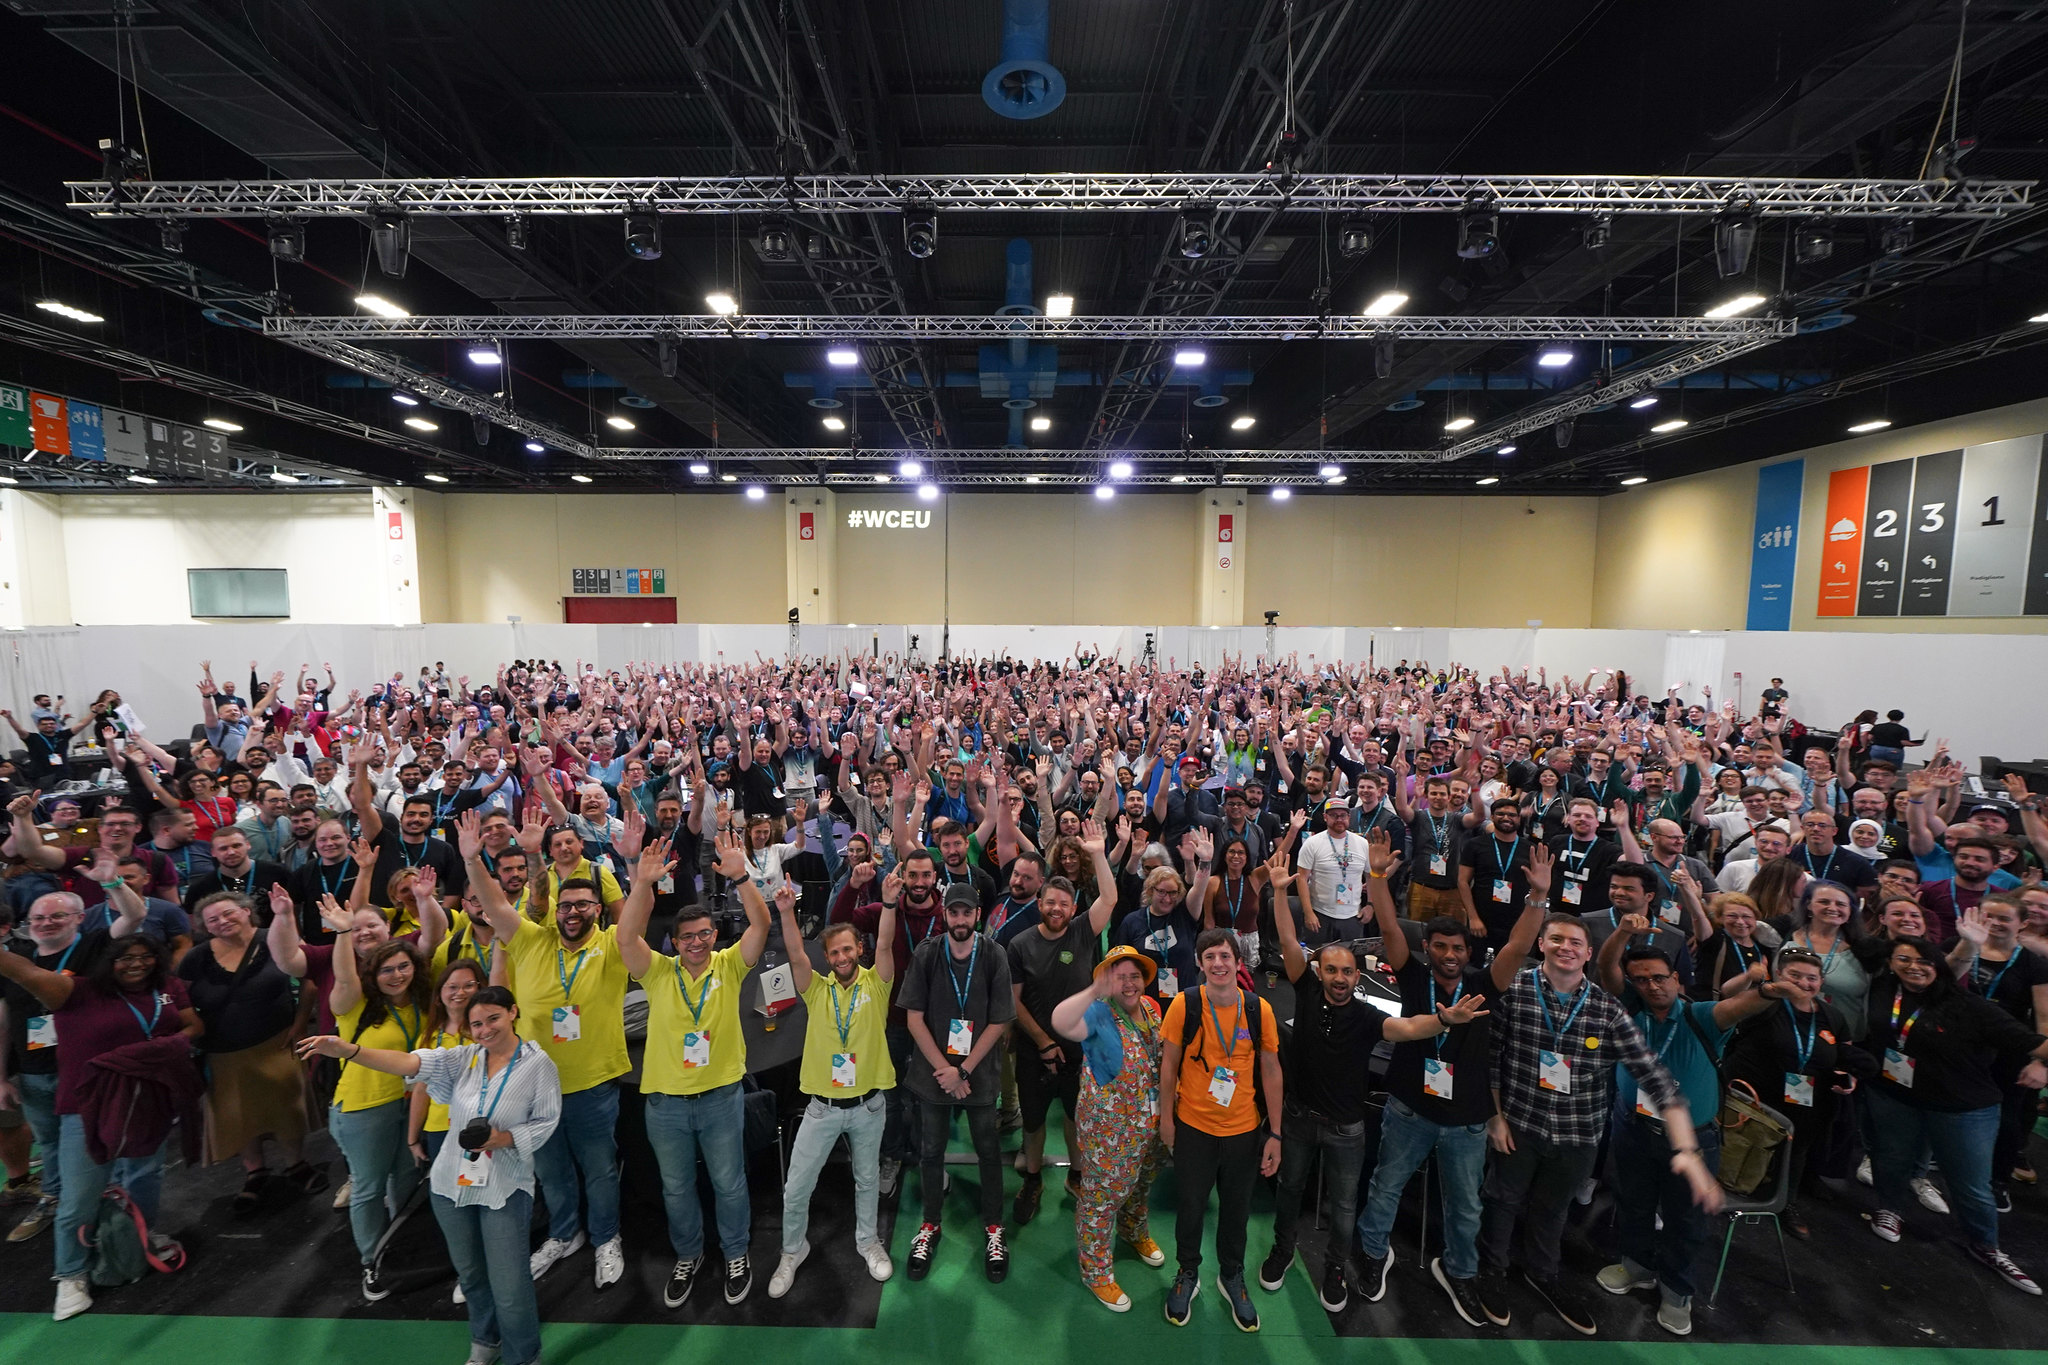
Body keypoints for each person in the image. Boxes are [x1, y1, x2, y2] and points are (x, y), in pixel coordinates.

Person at [1261, 841, 1490, 1313]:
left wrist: (1444, 1021)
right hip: (1300, 1119)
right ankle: (1282, 1251)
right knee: (1289, 1190)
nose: (1340, 977)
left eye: (1347, 971)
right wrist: (1281, 897)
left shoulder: (1367, 1016)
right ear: (1319, 970)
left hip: (1347, 1128)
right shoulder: (1304, 990)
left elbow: (1407, 1028)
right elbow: (1287, 944)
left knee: (1345, 1209)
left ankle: (1336, 1267)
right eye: (1331, 970)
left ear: (1357, 975)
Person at [1477, 915, 1718, 1336]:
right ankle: (1492, 1271)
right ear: (1542, 945)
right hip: (1518, 1124)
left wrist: (1687, 1149)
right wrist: (1494, 1118)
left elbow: (1655, 1077)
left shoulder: (1607, 1009)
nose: (1566, 947)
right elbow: (1490, 1059)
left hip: (1578, 1135)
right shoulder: (1513, 993)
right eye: (1557, 939)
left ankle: (1542, 1273)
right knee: (1502, 1200)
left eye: (1575, 941)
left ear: (1589, 953)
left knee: (1553, 1209)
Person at [297, 985, 560, 1365]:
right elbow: (407, 1064)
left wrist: (501, 1138)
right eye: (476, 1024)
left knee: (510, 1284)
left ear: (513, 1012)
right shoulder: (463, 1058)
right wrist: (349, 1051)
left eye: (493, 1019)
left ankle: (524, 1356)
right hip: (450, 1185)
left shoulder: (538, 1065)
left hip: (505, 1188)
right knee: (470, 1276)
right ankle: (485, 1344)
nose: (485, 1030)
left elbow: (546, 1121)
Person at [1357, 828, 1549, 1326]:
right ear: (1430, 947)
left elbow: (1520, 945)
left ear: (1468, 951)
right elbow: (1388, 924)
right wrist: (1377, 877)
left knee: (1465, 1208)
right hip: (1408, 1110)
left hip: (1466, 1121)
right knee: (1385, 1187)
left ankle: (1460, 1270)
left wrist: (1539, 896)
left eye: (1457, 947)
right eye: (1439, 945)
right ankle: (1374, 1253)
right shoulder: (1415, 976)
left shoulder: (1488, 983)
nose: (1448, 953)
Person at [1592, 914, 1784, 1335]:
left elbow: (1743, 1004)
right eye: (1641, 979)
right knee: (1633, 1203)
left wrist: (1770, 989)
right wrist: (1623, 933)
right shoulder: (1629, 1010)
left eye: (1660, 977)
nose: (1652, 986)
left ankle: (1677, 1291)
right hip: (1634, 1128)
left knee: (1686, 1221)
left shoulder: (1702, 1015)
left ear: (1676, 978)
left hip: (1694, 1140)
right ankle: (1636, 1267)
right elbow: (1607, 968)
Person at [458, 810, 628, 1289]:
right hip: (534, 1088)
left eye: (583, 904)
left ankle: (607, 1237)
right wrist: (474, 861)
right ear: (553, 907)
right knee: (551, 1171)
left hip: (592, 1083)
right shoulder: (530, 940)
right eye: (565, 904)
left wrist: (635, 863)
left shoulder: (613, 945)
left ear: (597, 908)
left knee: (598, 1170)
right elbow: (494, 903)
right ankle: (563, 1233)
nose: (573, 911)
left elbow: (637, 912)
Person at [0, 927, 201, 1320]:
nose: (137, 964)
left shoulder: (169, 986)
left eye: (145, 956)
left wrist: (167, 1045)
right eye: (125, 958)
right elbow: (20, 970)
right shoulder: (75, 992)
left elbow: (193, 1026)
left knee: (144, 1175)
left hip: (149, 1098)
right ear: (106, 961)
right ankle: (70, 1274)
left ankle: (137, 1235)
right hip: (87, 1107)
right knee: (79, 1194)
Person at [615, 828, 771, 1310]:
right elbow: (625, 937)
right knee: (676, 1187)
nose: (698, 942)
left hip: (721, 1096)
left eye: (705, 933)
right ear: (676, 941)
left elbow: (761, 925)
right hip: (665, 1102)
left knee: (729, 1183)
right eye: (688, 936)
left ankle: (736, 1252)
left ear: (713, 935)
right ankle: (689, 1255)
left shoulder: (728, 966)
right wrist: (642, 884)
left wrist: (742, 876)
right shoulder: (658, 971)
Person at [1863, 935, 2048, 1295]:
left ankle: (1987, 1246)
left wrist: (2041, 1063)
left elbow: (2033, 1042)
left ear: (1940, 966)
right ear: (1891, 963)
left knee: (1971, 1184)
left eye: (1925, 961)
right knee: (1891, 1158)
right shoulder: (1884, 988)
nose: (1914, 967)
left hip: (1963, 1108)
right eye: (1904, 959)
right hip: (1894, 1095)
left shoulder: (1972, 1007)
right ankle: (1890, 1208)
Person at [768, 859, 898, 1297]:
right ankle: (792, 1250)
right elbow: (795, 955)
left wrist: (892, 905)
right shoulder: (816, 989)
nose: (842, 957)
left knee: (866, 1180)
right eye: (834, 952)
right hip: (821, 1109)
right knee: (797, 1185)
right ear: (828, 958)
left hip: (868, 1106)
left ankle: (867, 1241)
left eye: (848, 949)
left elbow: (886, 946)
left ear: (857, 949)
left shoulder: (877, 984)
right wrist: (786, 913)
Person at [1156, 926, 1282, 1332]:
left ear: (1238, 962)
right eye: (1209, 957)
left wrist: (1275, 1134)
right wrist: (1166, 1120)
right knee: (1190, 1207)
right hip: (1194, 1127)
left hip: (1244, 1131)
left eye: (1225, 956)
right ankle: (1187, 1272)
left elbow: (1271, 1070)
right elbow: (1169, 1065)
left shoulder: (1258, 1009)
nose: (1218, 964)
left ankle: (1231, 1276)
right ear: (1199, 963)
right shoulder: (1184, 1005)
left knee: (1236, 1210)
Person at [900, 882, 1015, 1282]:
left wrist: (962, 1071)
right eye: (954, 913)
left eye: (967, 913)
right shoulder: (927, 954)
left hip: (978, 1076)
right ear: (944, 915)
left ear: (978, 915)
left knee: (988, 1152)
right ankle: (930, 1224)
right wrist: (946, 1073)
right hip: (934, 1077)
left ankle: (993, 1228)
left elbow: (1000, 1020)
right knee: (930, 1153)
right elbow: (913, 1018)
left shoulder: (994, 955)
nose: (960, 920)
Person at [182, 888, 322, 1213]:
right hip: (221, 1052)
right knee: (238, 1117)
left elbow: (309, 982)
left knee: (288, 1109)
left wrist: (301, 1025)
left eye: (229, 913)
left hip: (276, 1042)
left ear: (247, 911)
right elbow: (180, 998)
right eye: (212, 919)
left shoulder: (275, 938)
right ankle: (254, 1171)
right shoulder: (196, 957)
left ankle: (296, 1163)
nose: (222, 921)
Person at [323, 900, 433, 1302]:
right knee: (369, 1188)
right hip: (364, 1108)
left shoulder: (422, 1002)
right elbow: (344, 977)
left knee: (405, 1179)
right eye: (387, 969)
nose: (397, 975)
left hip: (410, 1104)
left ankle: (397, 1245)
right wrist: (341, 933)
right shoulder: (357, 1006)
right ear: (373, 974)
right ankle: (372, 1261)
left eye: (404, 966)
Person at [1051, 944, 1167, 1312]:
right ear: (1107, 981)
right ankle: (1096, 1270)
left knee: (1140, 1185)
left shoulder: (1152, 1009)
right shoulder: (1098, 1013)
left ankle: (1134, 1233)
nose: (1129, 984)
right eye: (1120, 977)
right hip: (1108, 1130)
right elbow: (1060, 1021)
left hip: (1149, 1123)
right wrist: (1093, 991)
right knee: (1101, 1200)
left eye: (1135, 976)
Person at [1947, 898, 2048, 1211]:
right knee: (1944, 1105)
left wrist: (2040, 1062)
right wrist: (1967, 943)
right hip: (1955, 1043)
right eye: (1989, 916)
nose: (1996, 923)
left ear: (2022, 924)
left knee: (2007, 1119)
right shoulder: (1958, 943)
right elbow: (1942, 980)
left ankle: (1998, 1180)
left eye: (2005, 919)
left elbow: (2044, 1016)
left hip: (2008, 1051)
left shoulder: (2033, 962)